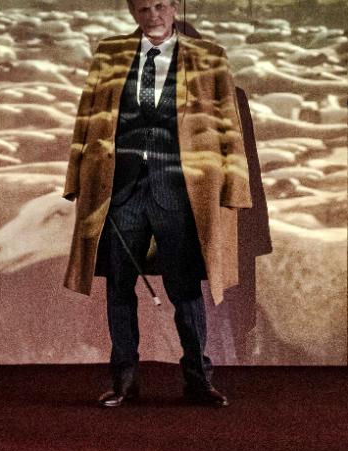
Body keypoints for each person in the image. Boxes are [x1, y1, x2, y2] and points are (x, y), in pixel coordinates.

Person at [61, 0, 253, 408]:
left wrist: (235, 188)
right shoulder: (109, 54)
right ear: (134, 11)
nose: (153, 16)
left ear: (174, 7)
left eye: (161, 6)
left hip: (179, 192)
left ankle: (198, 380)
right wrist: (76, 180)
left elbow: (229, 126)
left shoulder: (209, 57)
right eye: (144, 8)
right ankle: (124, 381)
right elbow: (87, 117)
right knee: (119, 286)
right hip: (121, 191)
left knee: (186, 289)